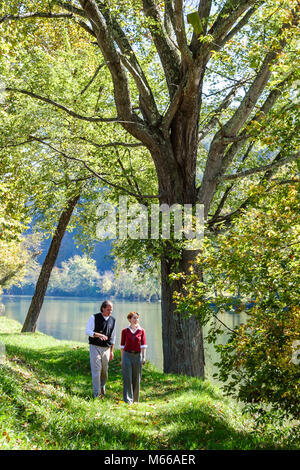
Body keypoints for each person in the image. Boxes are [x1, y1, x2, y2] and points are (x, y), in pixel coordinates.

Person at [85, 300, 116, 398]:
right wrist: (98, 335)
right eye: (108, 309)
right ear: (103, 308)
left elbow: (113, 337)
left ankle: (102, 389)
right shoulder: (94, 317)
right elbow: (87, 331)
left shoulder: (113, 320)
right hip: (95, 347)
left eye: (111, 310)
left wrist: (111, 351)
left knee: (104, 370)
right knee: (96, 369)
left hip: (106, 348)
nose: (110, 311)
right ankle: (96, 394)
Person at [121, 312, 147, 404]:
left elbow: (143, 345)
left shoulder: (141, 331)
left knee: (136, 378)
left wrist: (143, 357)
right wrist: (122, 359)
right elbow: (122, 346)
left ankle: (135, 400)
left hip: (137, 356)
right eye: (134, 318)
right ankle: (128, 400)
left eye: (137, 318)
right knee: (127, 377)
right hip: (127, 355)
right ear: (129, 319)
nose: (136, 320)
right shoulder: (125, 331)